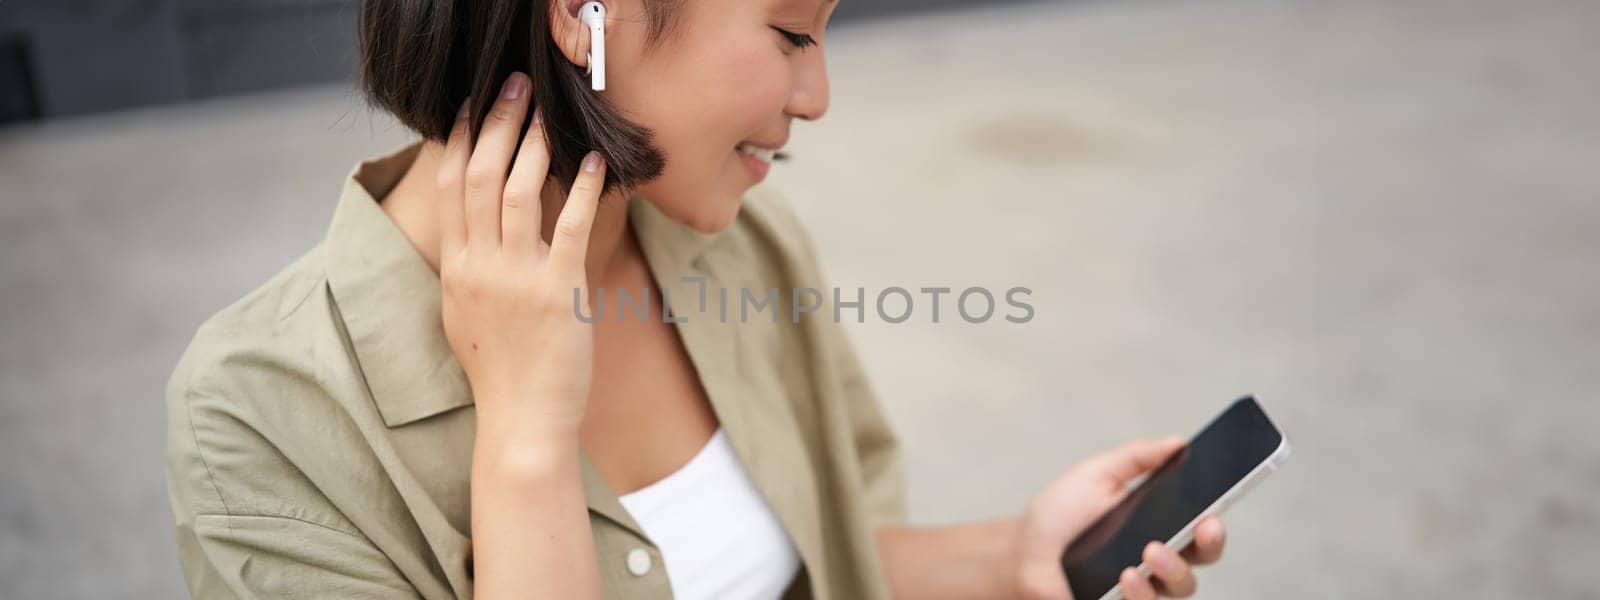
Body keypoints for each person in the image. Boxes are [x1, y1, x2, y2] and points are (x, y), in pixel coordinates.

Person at [163, 0, 1228, 598]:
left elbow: (815, 563)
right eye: (790, 35)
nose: (815, 97)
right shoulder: (262, 415)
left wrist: (1014, 557)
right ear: (588, 16)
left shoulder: (737, 238)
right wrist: (526, 445)